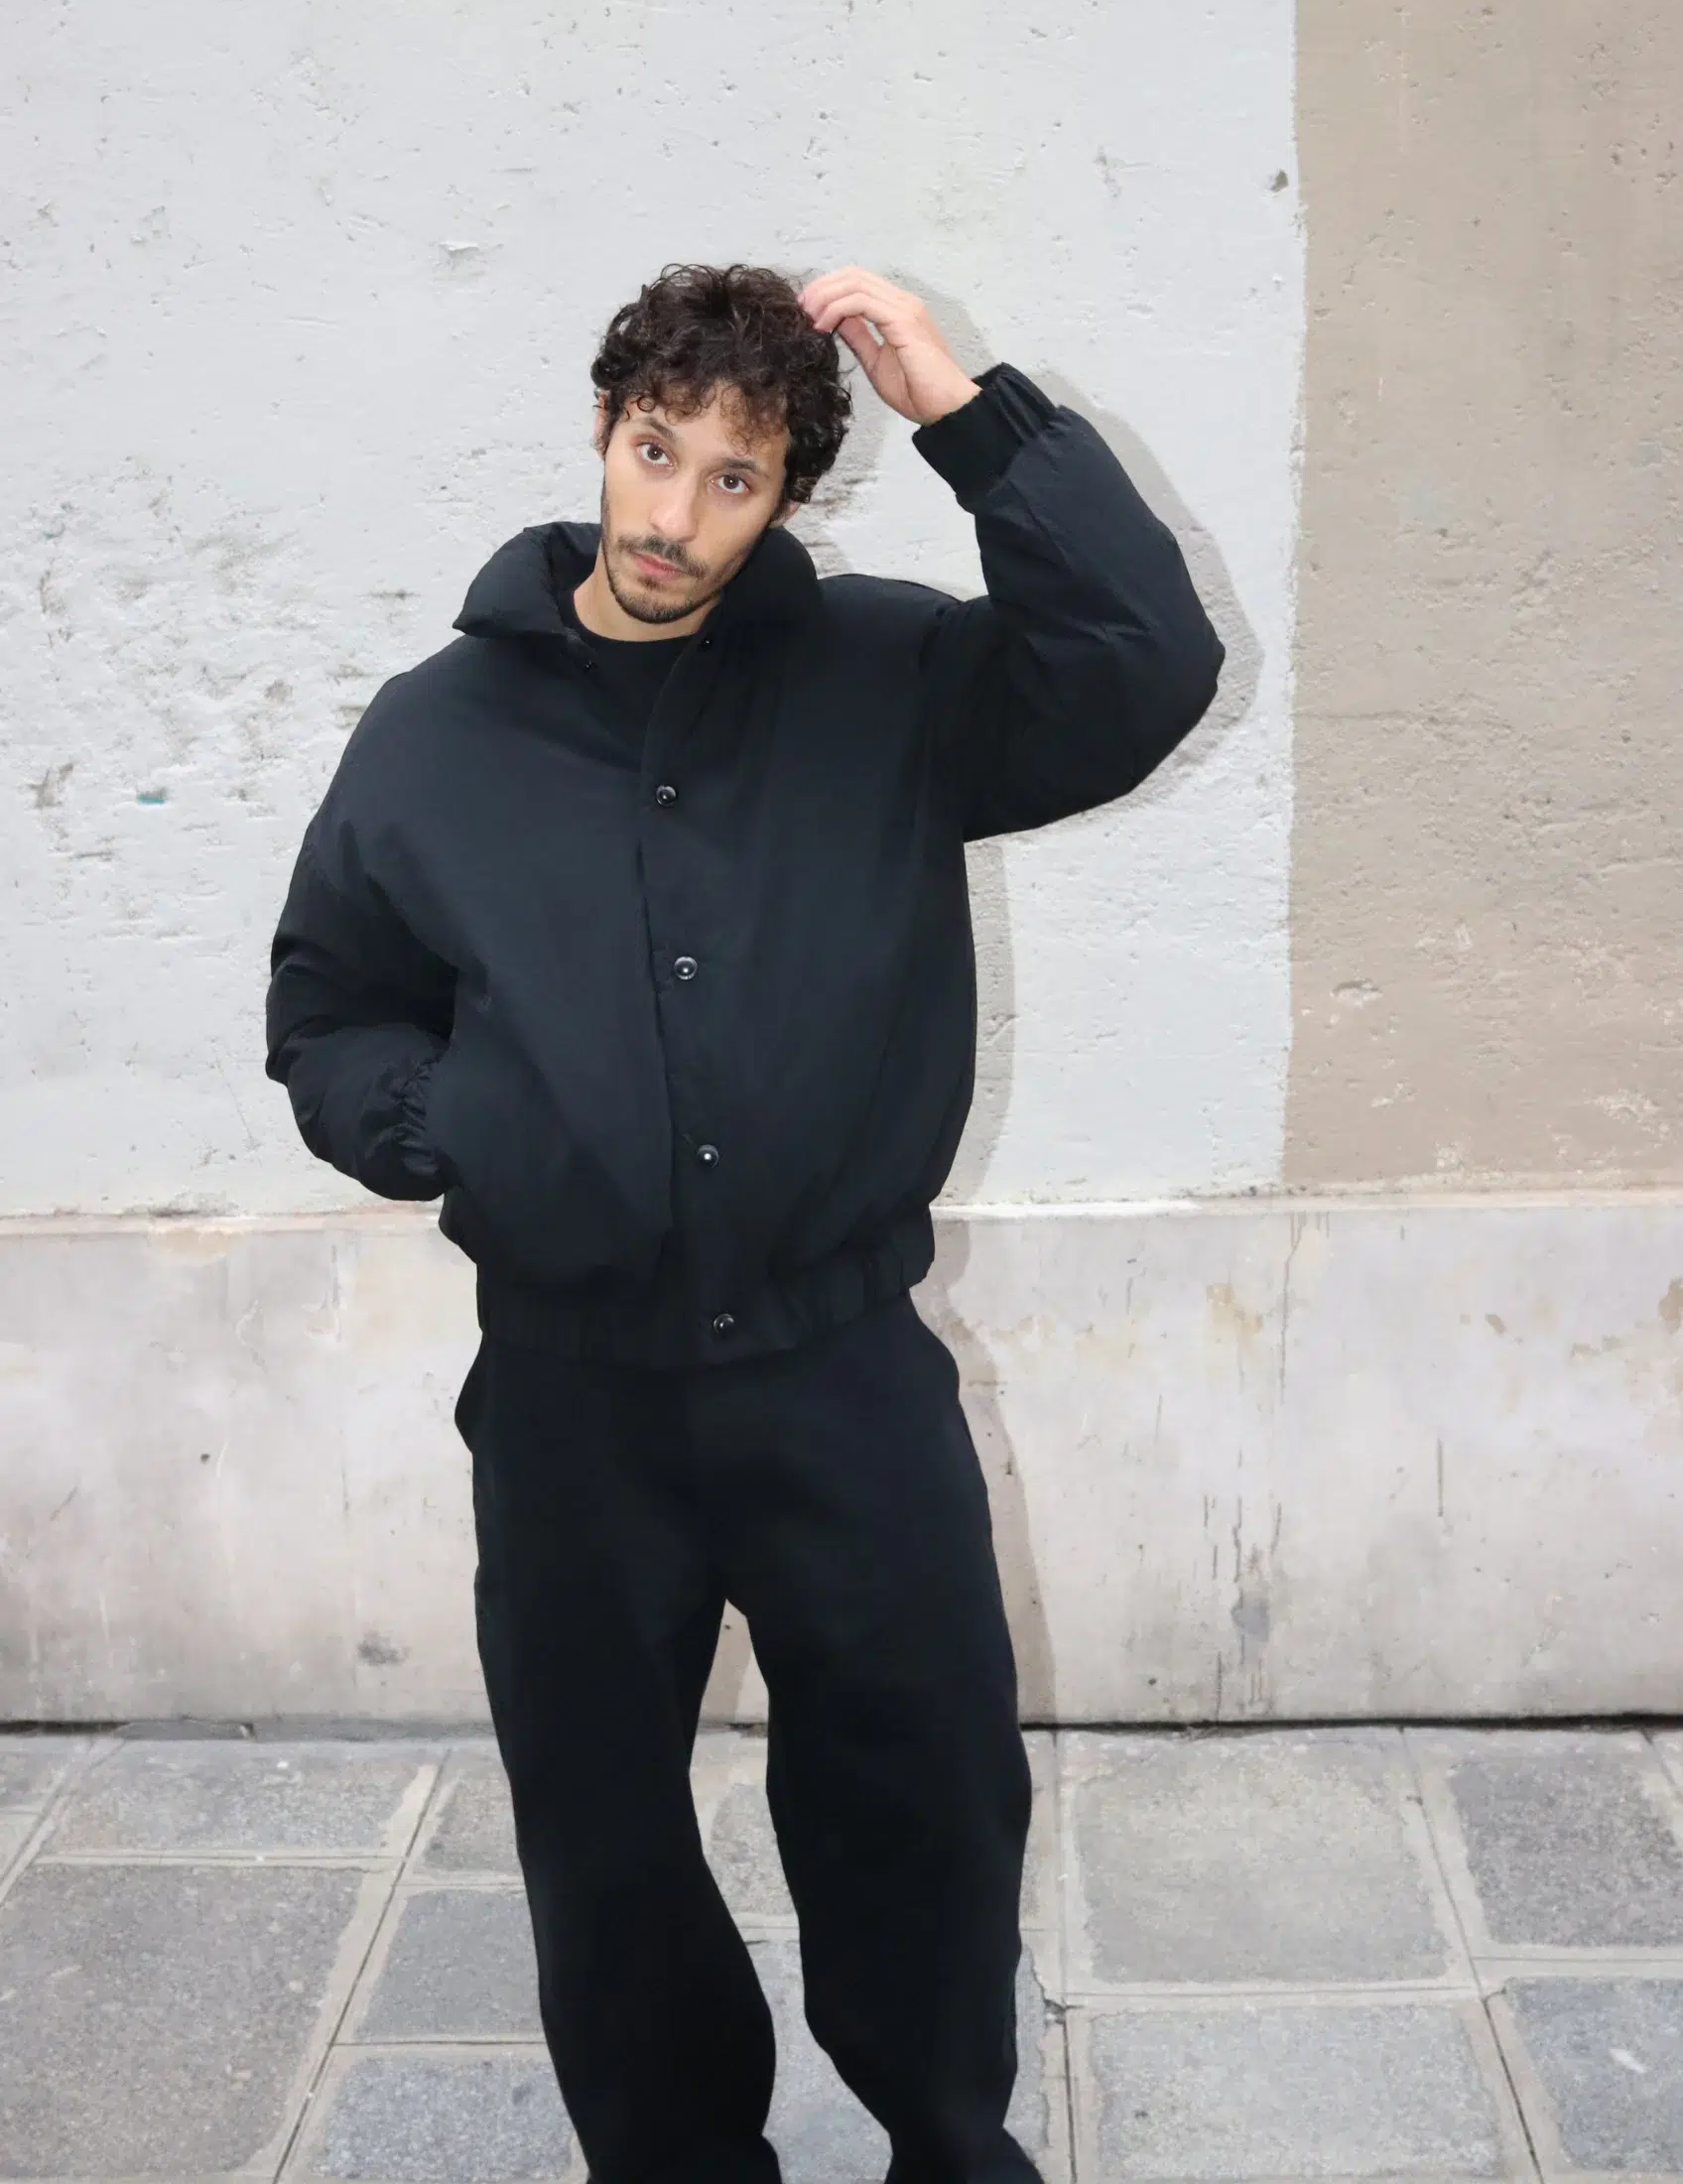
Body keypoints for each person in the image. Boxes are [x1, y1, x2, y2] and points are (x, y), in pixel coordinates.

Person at [265, 261, 1224, 2184]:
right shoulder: (437, 731)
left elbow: (1142, 660)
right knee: (603, 1841)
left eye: (733, 477)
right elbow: (328, 1005)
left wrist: (970, 417)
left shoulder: (889, 678)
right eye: (654, 451)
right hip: (573, 1401)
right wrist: (460, 1128)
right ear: (602, 426)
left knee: (926, 1801)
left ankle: (947, 2144)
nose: (674, 516)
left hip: (841, 1372)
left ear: (787, 493)